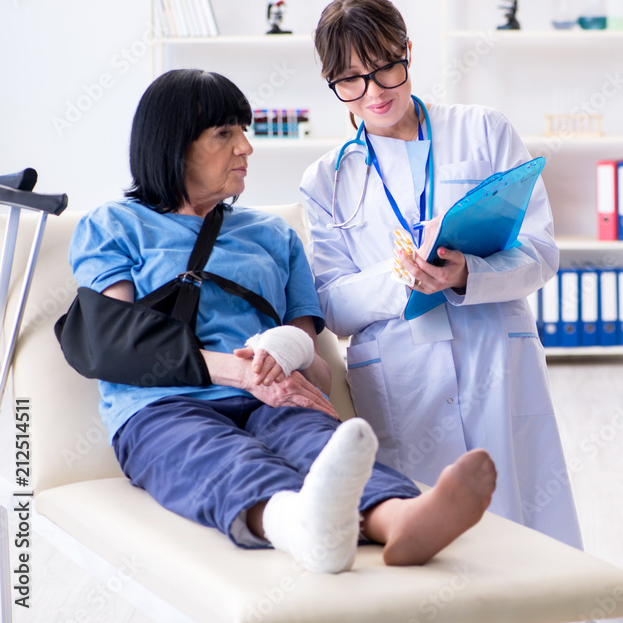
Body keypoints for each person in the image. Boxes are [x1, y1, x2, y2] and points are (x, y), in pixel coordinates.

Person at [67, 69, 496, 573]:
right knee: (220, 458)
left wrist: (286, 356)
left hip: (272, 397)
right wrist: (240, 371)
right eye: (224, 133)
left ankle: (400, 519)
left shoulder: (273, 235)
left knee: (322, 446)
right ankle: (299, 527)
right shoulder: (114, 226)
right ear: (173, 146)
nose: (246, 147)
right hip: (164, 407)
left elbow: (314, 366)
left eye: (244, 131)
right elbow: (117, 342)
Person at [300, 0, 582, 549]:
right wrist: (399, 277)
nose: (374, 93)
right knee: (433, 547)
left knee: (524, 534)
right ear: (331, 82)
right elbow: (330, 303)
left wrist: (465, 273)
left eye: (386, 68)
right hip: (404, 379)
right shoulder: (326, 180)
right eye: (351, 80)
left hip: (495, 357)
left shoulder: (483, 131)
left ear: (408, 51)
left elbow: (540, 252)